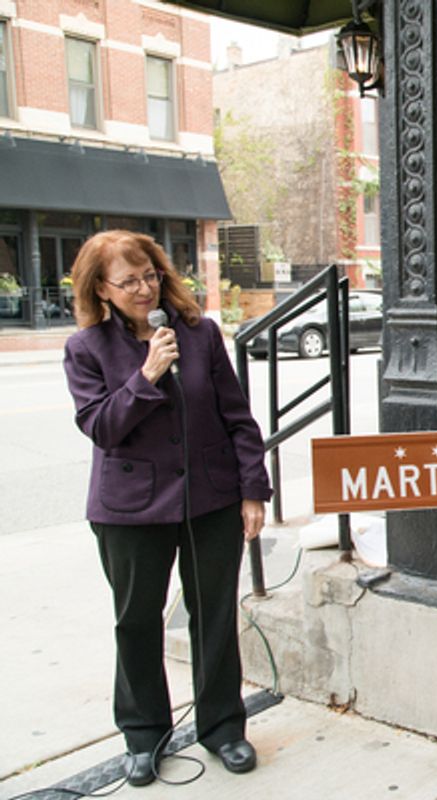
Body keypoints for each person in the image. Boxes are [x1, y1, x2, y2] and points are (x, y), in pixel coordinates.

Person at [63, 231, 271, 787]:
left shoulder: (198, 334)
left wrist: (253, 489)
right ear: (101, 289)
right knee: (136, 623)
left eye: (149, 276)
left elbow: (237, 417)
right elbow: (102, 428)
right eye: (127, 281)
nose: (142, 288)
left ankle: (224, 727)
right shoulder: (85, 349)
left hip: (210, 498)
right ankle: (143, 737)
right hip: (128, 510)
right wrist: (146, 374)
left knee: (215, 617)